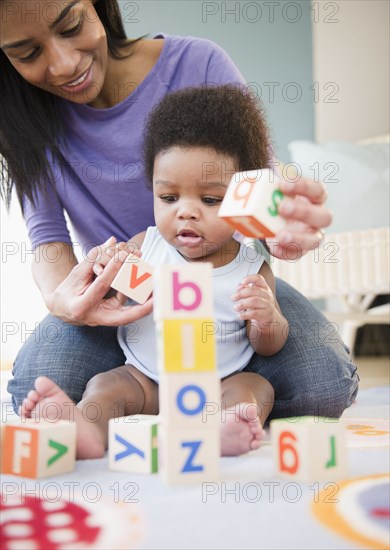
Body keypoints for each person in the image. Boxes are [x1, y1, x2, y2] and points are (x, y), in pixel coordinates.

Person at [0, 0, 358, 418]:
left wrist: (278, 223)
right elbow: (47, 237)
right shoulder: (20, 117)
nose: (63, 65)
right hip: (120, 301)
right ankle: (148, 387)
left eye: (72, 25)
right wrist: (65, 299)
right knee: (33, 382)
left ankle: (209, 400)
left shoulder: (198, 62)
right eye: (27, 53)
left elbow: (261, 179)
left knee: (324, 385)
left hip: (224, 287)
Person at [21, 84, 288, 458]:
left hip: (217, 385)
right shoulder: (146, 244)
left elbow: (268, 344)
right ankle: (87, 431)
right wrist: (103, 271)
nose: (186, 211)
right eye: (168, 198)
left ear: (243, 201)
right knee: (105, 386)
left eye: (210, 200)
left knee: (256, 386)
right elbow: (110, 285)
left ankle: (222, 430)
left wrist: (266, 316)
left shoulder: (250, 266)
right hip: (144, 380)